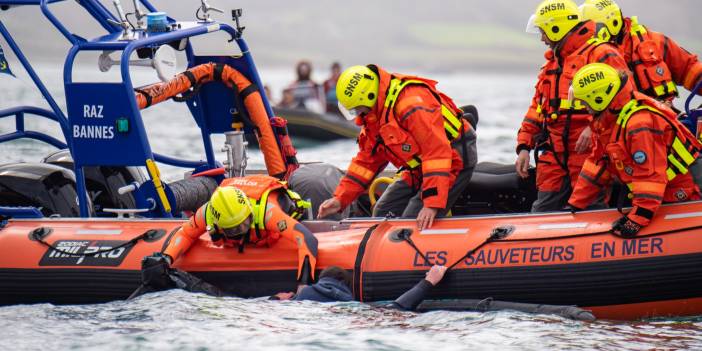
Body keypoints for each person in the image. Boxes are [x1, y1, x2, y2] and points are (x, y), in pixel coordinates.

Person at [317, 65, 477, 230]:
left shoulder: (409, 103)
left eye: (357, 108)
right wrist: (340, 199)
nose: (357, 114)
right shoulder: (374, 115)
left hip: (453, 159)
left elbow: (436, 151)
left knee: (412, 221)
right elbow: (366, 161)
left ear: (369, 96)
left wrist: (431, 204)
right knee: (383, 211)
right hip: (420, 167)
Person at [516, 0, 630, 212]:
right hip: (554, 150)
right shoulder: (552, 63)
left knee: (590, 206)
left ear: (556, 28)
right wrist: (524, 146)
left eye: (543, 32)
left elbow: (624, 99)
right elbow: (537, 109)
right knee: (543, 208)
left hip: (588, 148)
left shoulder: (602, 54)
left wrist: (593, 127)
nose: (541, 38)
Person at [567, 63, 701, 237]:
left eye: (584, 102)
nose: (584, 107)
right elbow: (598, 164)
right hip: (660, 193)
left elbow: (650, 176)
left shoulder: (639, 123)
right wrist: (576, 203)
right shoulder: (608, 122)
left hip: (682, 191)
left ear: (599, 98)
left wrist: (638, 218)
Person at [151, 175, 318, 286]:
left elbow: (305, 237)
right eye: (234, 229)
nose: (241, 231)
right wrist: (166, 258)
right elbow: (186, 233)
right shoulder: (208, 213)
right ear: (220, 226)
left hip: (281, 207)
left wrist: (304, 285)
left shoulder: (266, 213)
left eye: (244, 224)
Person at [579, 0, 702, 105]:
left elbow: (691, 70)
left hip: (665, 121)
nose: (590, 35)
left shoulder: (655, 42)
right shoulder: (587, 56)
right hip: (620, 126)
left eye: (593, 29)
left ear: (613, 22)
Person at [273, 265, 448, 311]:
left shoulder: (300, 298)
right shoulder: (349, 304)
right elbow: (397, 307)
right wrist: (429, 281)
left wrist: (275, 300)